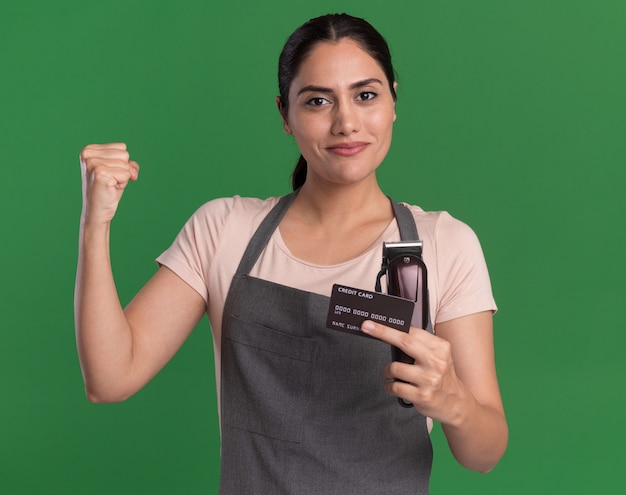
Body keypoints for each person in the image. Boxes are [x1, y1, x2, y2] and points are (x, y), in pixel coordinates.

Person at [75, 13, 508, 494]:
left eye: (366, 95)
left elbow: (484, 454)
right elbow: (110, 378)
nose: (346, 123)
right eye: (318, 101)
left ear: (392, 101)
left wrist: (452, 400)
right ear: (285, 115)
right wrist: (95, 224)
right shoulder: (225, 230)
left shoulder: (444, 245)